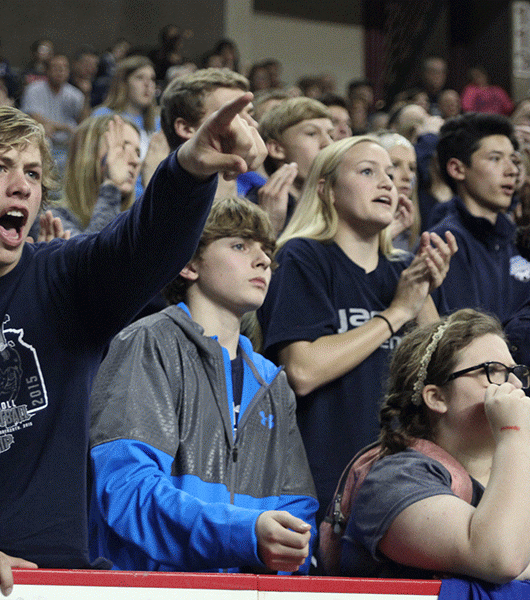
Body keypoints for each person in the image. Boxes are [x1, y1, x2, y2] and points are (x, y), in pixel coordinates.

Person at [0, 98, 265, 591]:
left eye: (34, 173)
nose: (22, 184)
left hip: (50, 580)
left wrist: (189, 168)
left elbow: (146, 242)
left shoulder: (65, 280)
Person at [89, 196, 317, 572]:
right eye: (240, 245)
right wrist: (243, 534)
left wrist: (285, 550)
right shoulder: (147, 343)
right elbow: (127, 489)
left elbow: (298, 510)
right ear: (189, 264)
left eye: (267, 251)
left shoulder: (274, 382)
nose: (262, 260)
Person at [257, 136, 457, 518]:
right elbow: (303, 370)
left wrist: (424, 292)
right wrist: (395, 313)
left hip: (405, 482)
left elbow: (439, 375)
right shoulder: (303, 256)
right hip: (324, 480)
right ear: (327, 190)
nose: (389, 183)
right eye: (368, 172)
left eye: (391, 173)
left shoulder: (402, 269)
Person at [341, 309, 530, 582]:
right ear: (436, 397)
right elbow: (499, 556)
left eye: (515, 371)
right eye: (493, 371)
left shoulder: (520, 470)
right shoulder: (394, 478)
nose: (514, 385)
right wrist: (514, 433)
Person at [426, 113, 529, 325]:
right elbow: (464, 338)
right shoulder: (445, 243)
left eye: (513, 159)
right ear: (457, 169)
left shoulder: (516, 239)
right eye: (495, 158)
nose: (511, 171)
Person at [145, 67, 253, 205]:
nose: (250, 125)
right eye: (231, 114)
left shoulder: (264, 191)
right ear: (186, 128)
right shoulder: (158, 200)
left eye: (250, 114)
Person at [247, 97, 334, 234]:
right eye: (311, 133)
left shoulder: (339, 203)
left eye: (331, 135)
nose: (328, 144)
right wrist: (270, 225)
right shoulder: (253, 207)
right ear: (277, 149)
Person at [49, 114, 140, 236]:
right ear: (88, 154)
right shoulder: (53, 219)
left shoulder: (136, 222)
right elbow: (97, 252)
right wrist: (112, 185)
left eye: (138, 153)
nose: (135, 161)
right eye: (122, 148)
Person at [20, 53, 84, 172]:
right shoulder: (33, 89)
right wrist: (65, 127)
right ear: (47, 71)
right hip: (42, 143)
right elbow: (35, 117)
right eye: (56, 67)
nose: (60, 71)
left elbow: (84, 121)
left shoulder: (75, 94)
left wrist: (87, 94)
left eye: (64, 67)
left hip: (67, 145)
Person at [91, 55, 159, 161]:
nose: (148, 84)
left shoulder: (158, 122)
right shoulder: (102, 116)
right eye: (140, 77)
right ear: (124, 83)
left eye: (152, 79)